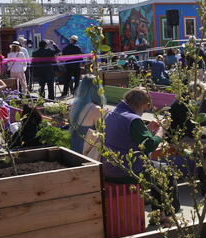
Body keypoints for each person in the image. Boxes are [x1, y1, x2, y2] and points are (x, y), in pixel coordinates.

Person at [103, 88, 180, 217]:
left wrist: (146, 130)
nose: (144, 111)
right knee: (166, 173)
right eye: (145, 107)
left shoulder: (112, 114)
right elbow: (149, 145)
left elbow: (125, 137)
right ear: (140, 104)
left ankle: (158, 213)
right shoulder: (133, 119)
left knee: (157, 171)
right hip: (127, 170)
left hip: (110, 167)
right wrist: (162, 130)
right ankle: (165, 215)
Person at [69, 75, 106, 153]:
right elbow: (102, 134)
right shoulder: (95, 109)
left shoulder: (75, 104)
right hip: (86, 152)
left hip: (74, 147)